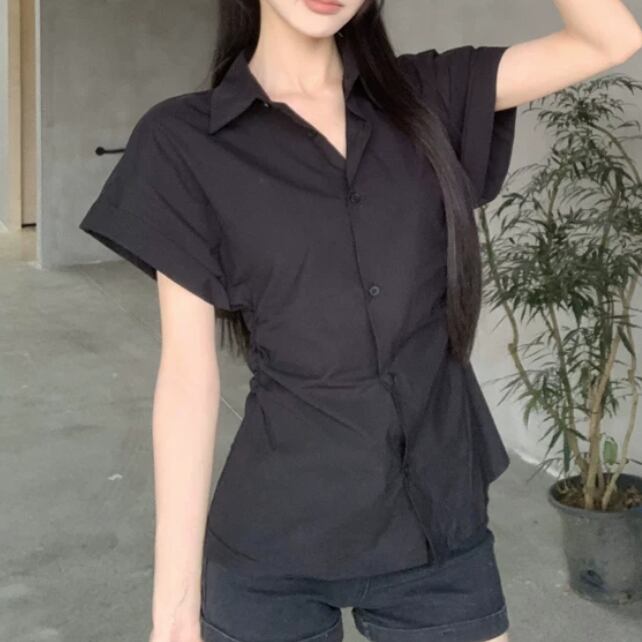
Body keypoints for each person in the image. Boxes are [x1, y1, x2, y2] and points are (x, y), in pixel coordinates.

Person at [78, 1, 642, 641]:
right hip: (274, 539)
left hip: (437, 532)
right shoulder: (184, 140)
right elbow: (187, 380)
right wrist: (175, 608)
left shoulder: (430, 97)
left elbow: (610, 38)